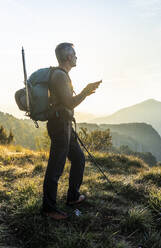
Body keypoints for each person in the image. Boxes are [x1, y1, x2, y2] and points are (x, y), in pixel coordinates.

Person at [41, 42, 101, 220]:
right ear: (67, 57)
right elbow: (69, 103)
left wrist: (85, 92)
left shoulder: (61, 75)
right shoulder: (60, 76)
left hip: (64, 123)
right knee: (56, 167)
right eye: (74, 54)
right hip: (60, 125)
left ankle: (73, 196)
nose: (76, 57)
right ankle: (48, 208)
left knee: (78, 158)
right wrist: (86, 90)